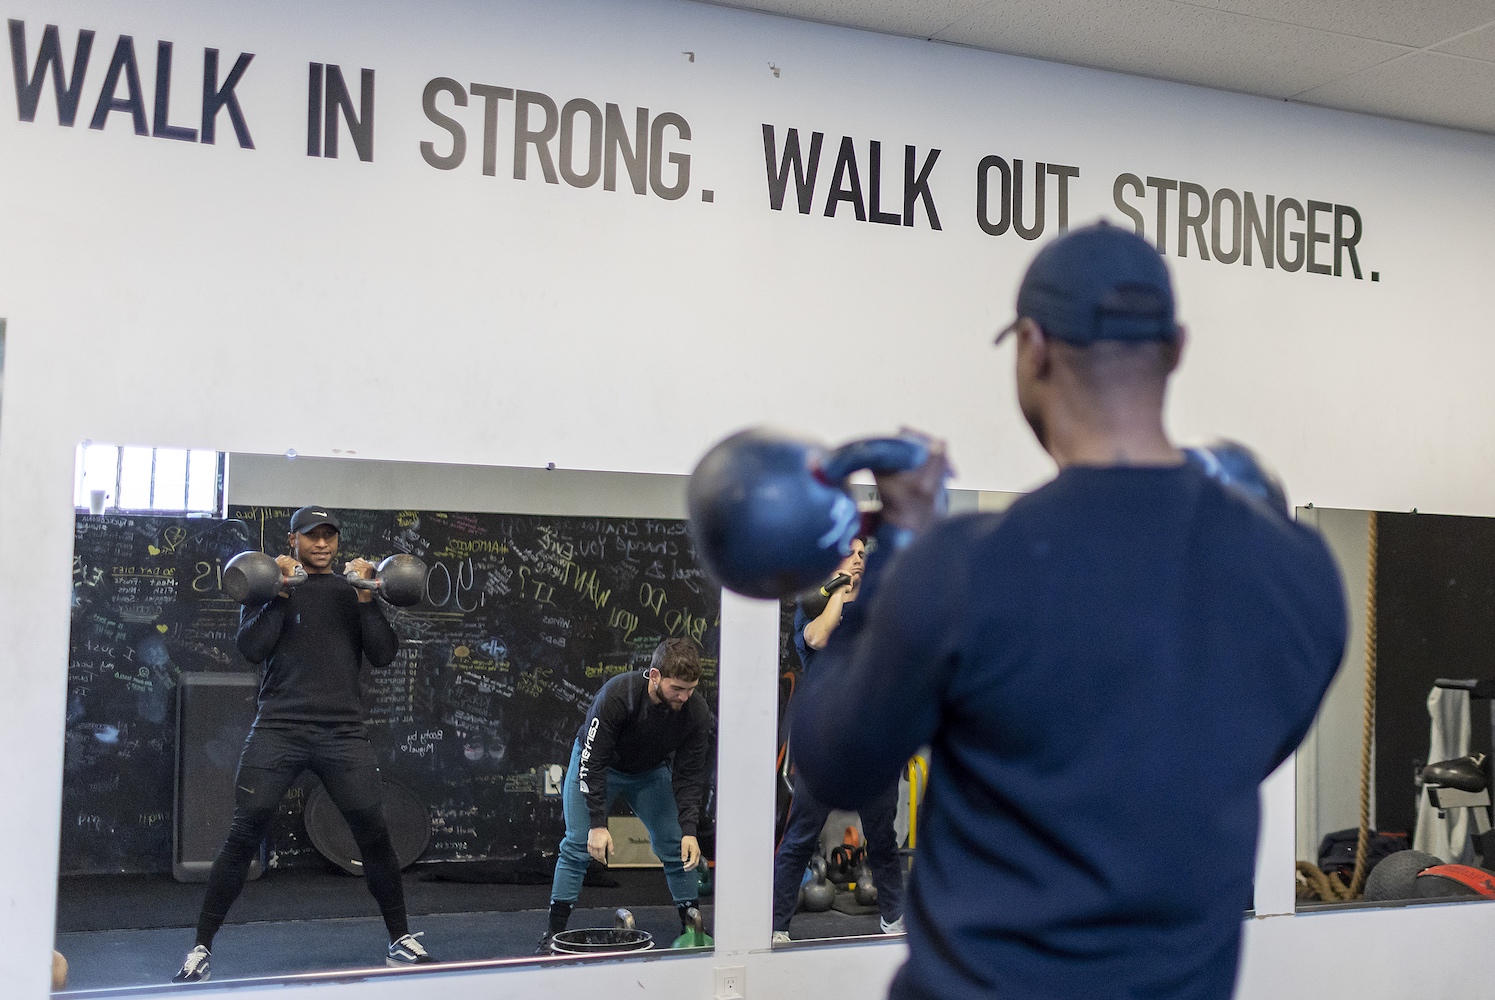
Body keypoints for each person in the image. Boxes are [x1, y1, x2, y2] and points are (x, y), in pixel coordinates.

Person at [790, 223, 1347, 1000]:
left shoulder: (960, 568)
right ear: (1177, 347)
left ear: (1033, 346)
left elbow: (832, 763)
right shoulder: (1301, 574)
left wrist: (895, 553)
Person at [172, 506, 434, 983]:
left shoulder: (353, 592)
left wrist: (365, 598)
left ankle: (400, 938)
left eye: (329, 536)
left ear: (337, 541)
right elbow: (251, 649)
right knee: (243, 831)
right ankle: (200, 947)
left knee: (374, 833)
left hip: (341, 733)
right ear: (292, 540)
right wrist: (280, 593)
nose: (321, 544)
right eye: (312, 536)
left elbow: (382, 655)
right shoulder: (266, 588)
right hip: (279, 728)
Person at [541, 637, 715, 951]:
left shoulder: (695, 711)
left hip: (648, 773)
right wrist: (597, 825)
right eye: (677, 688)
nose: (684, 696)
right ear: (655, 675)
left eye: (691, 689)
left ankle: (693, 932)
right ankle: (551, 936)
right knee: (577, 845)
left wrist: (690, 830)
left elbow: (690, 775)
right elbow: (592, 762)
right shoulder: (619, 695)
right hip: (601, 767)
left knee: (679, 847)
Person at [771, 538, 905, 942]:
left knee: (882, 838)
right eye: (852, 552)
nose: (860, 558)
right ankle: (776, 927)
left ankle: (893, 919)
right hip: (825, 746)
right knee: (800, 837)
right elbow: (818, 638)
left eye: (864, 553)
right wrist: (841, 589)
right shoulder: (810, 607)